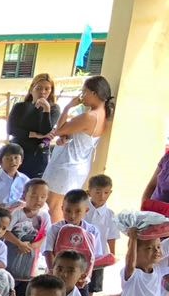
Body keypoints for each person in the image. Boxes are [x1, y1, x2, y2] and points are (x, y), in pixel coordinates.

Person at [40, 76, 114, 219]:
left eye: (84, 92)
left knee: (53, 208)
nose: (82, 96)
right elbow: (75, 135)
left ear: (94, 93)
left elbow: (59, 129)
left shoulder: (90, 116)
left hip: (66, 165)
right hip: (78, 166)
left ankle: (52, 238)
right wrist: (66, 137)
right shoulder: (103, 115)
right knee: (62, 207)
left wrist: (68, 106)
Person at [7, 73, 59, 181]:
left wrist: (46, 110)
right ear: (32, 89)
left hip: (38, 155)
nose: (42, 92)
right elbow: (11, 129)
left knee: (32, 187)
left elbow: (46, 131)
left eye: (47, 89)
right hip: (17, 151)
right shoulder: (20, 106)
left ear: (51, 91)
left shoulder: (54, 109)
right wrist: (35, 134)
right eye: (39, 88)